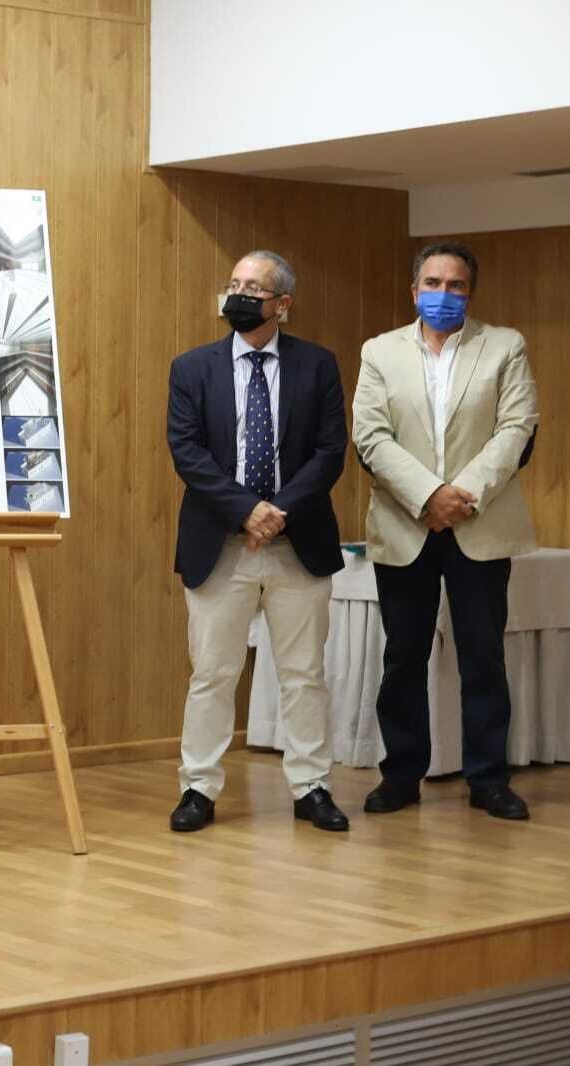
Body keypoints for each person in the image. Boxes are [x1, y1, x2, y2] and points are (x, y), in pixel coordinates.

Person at [352, 242, 539, 821]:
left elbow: (516, 428)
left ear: (470, 292)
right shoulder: (379, 351)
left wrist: (461, 495)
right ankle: (401, 776)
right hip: (405, 526)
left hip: (478, 524)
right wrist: (427, 496)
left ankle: (488, 779)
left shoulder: (505, 346)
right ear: (414, 291)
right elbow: (370, 435)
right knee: (402, 658)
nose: (443, 294)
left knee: (483, 659)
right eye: (433, 283)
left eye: (455, 285)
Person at [166, 251, 350, 833]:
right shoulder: (192, 368)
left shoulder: (317, 366)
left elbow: (329, 451)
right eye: (234, 285)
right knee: (213, 673)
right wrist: (248, 511)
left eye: (254, 287)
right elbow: (187, 451)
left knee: (303, 674)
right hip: (220, 545)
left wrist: (278, 513)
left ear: (282, 304)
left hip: (298, 544)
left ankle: (310, 786)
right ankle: (198, 787)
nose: (239, 295)